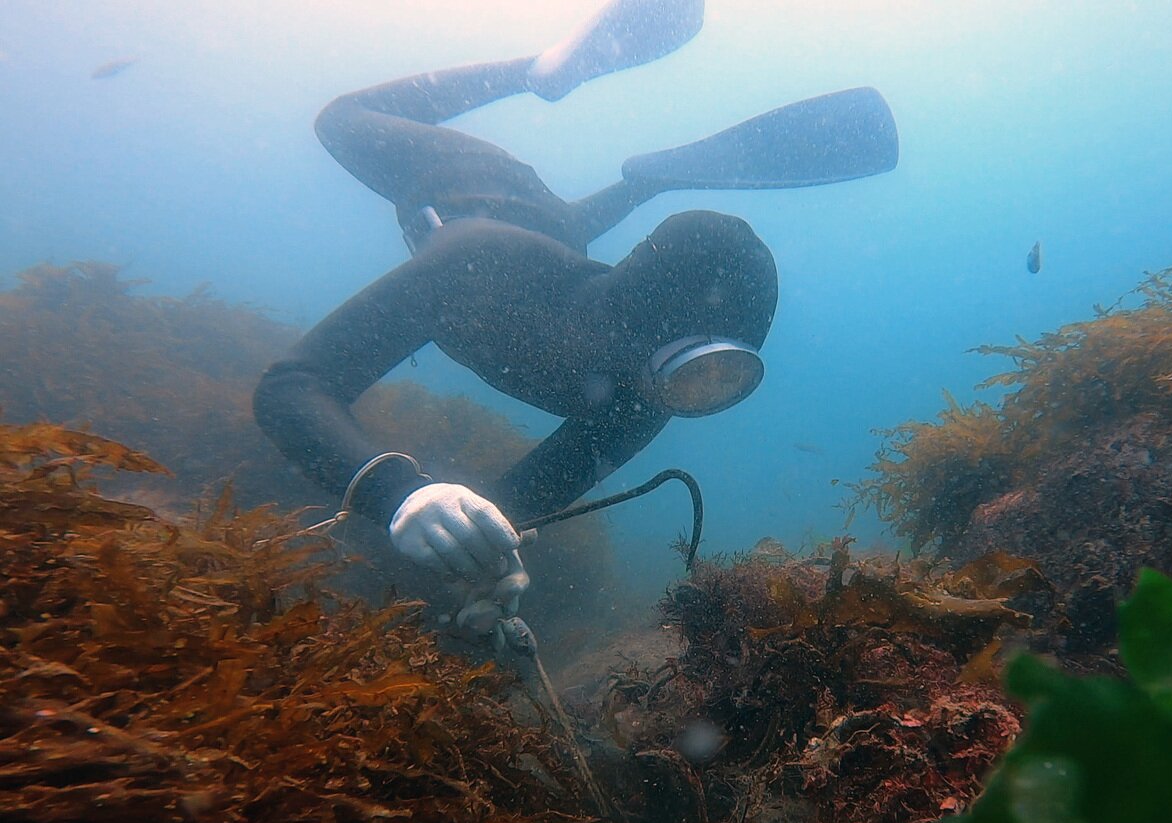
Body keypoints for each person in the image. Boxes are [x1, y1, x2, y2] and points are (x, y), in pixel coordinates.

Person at [254, 0, 897, 621]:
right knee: (340, 118)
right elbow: (294, 385)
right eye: (700, 370)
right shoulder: (475, 271)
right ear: (655, 329)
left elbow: (513, 505)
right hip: (469, 186)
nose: (695, 395)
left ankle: (644, 181)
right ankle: (539, 73)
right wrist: (396, 492)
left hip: (560, 237)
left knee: (565, 227)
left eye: (724, 377)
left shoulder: (647, 394)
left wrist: (486, 565)